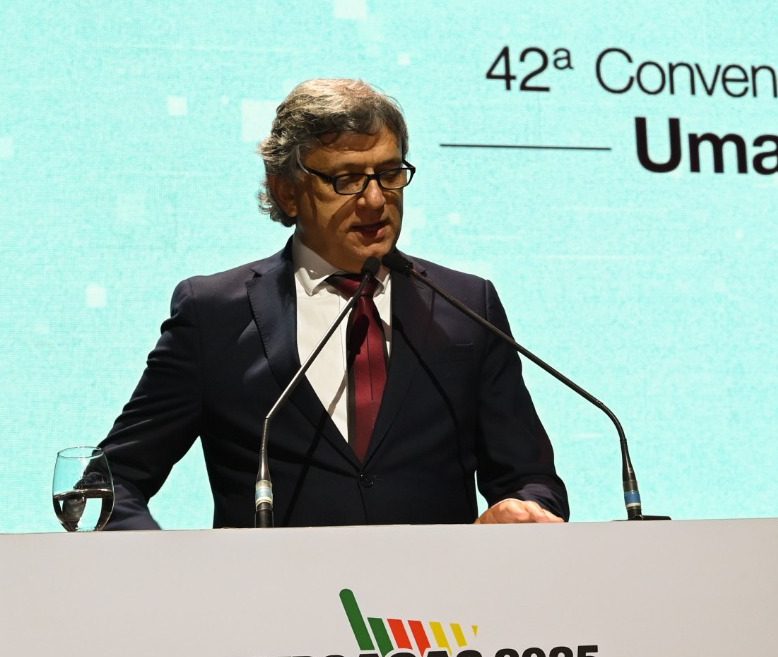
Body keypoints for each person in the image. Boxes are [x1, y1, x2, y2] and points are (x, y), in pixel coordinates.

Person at [99, 78, 568, 528]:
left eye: (390, 174)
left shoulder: (467, 306)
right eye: (347, 179)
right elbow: (112, 483)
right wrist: (161, 564)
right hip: (275, 584)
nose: (375, 200)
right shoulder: (214, 314)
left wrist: (523, 508)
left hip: (436, 586)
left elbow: (531, 478)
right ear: (287, 191)